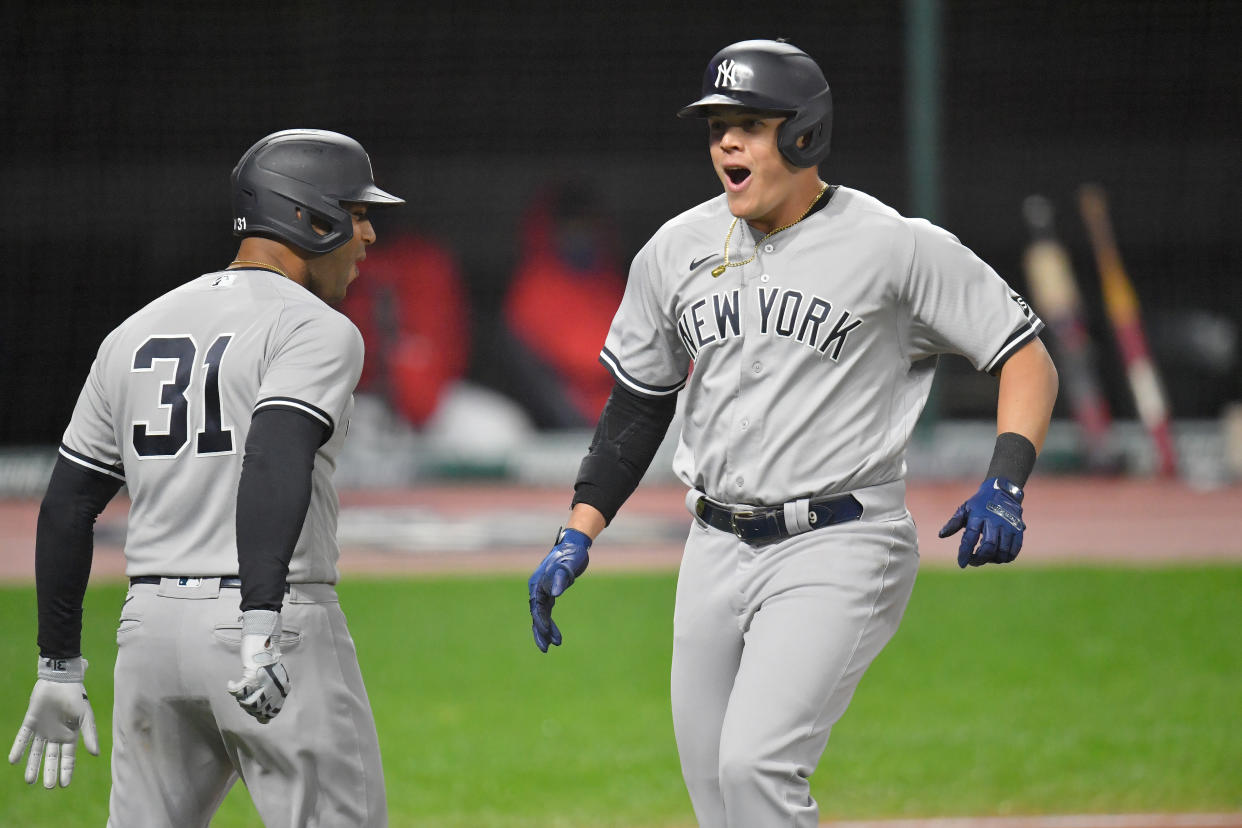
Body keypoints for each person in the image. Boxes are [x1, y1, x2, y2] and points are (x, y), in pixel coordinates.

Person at [527, 39, 1058, 827]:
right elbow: (640, 404)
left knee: (757, 768)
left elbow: (1025, 357)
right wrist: (579, 531)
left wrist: (1005, 481)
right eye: (716, 129)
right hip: (712, 546)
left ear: (804, 135)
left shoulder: (892, 244)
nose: (726, 144)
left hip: (840, 539)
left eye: (748, 124)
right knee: (715, 793)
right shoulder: (675, 251)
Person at [8, 128, 403, 827]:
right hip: (268, 621)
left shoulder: (134, 330)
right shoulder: (315, 327)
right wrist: (259, 626)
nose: (368, 234)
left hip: (149, 634)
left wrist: (58, 663)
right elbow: (273, 459)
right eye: (358, 212)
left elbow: (69, 503)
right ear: (310, 217)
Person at [499, 180, 628, 428]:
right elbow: (539, 372)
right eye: (572, 227)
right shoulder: (534, 286)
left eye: (587, 226)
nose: (581, 235)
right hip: (570, 418)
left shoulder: (610, 281)